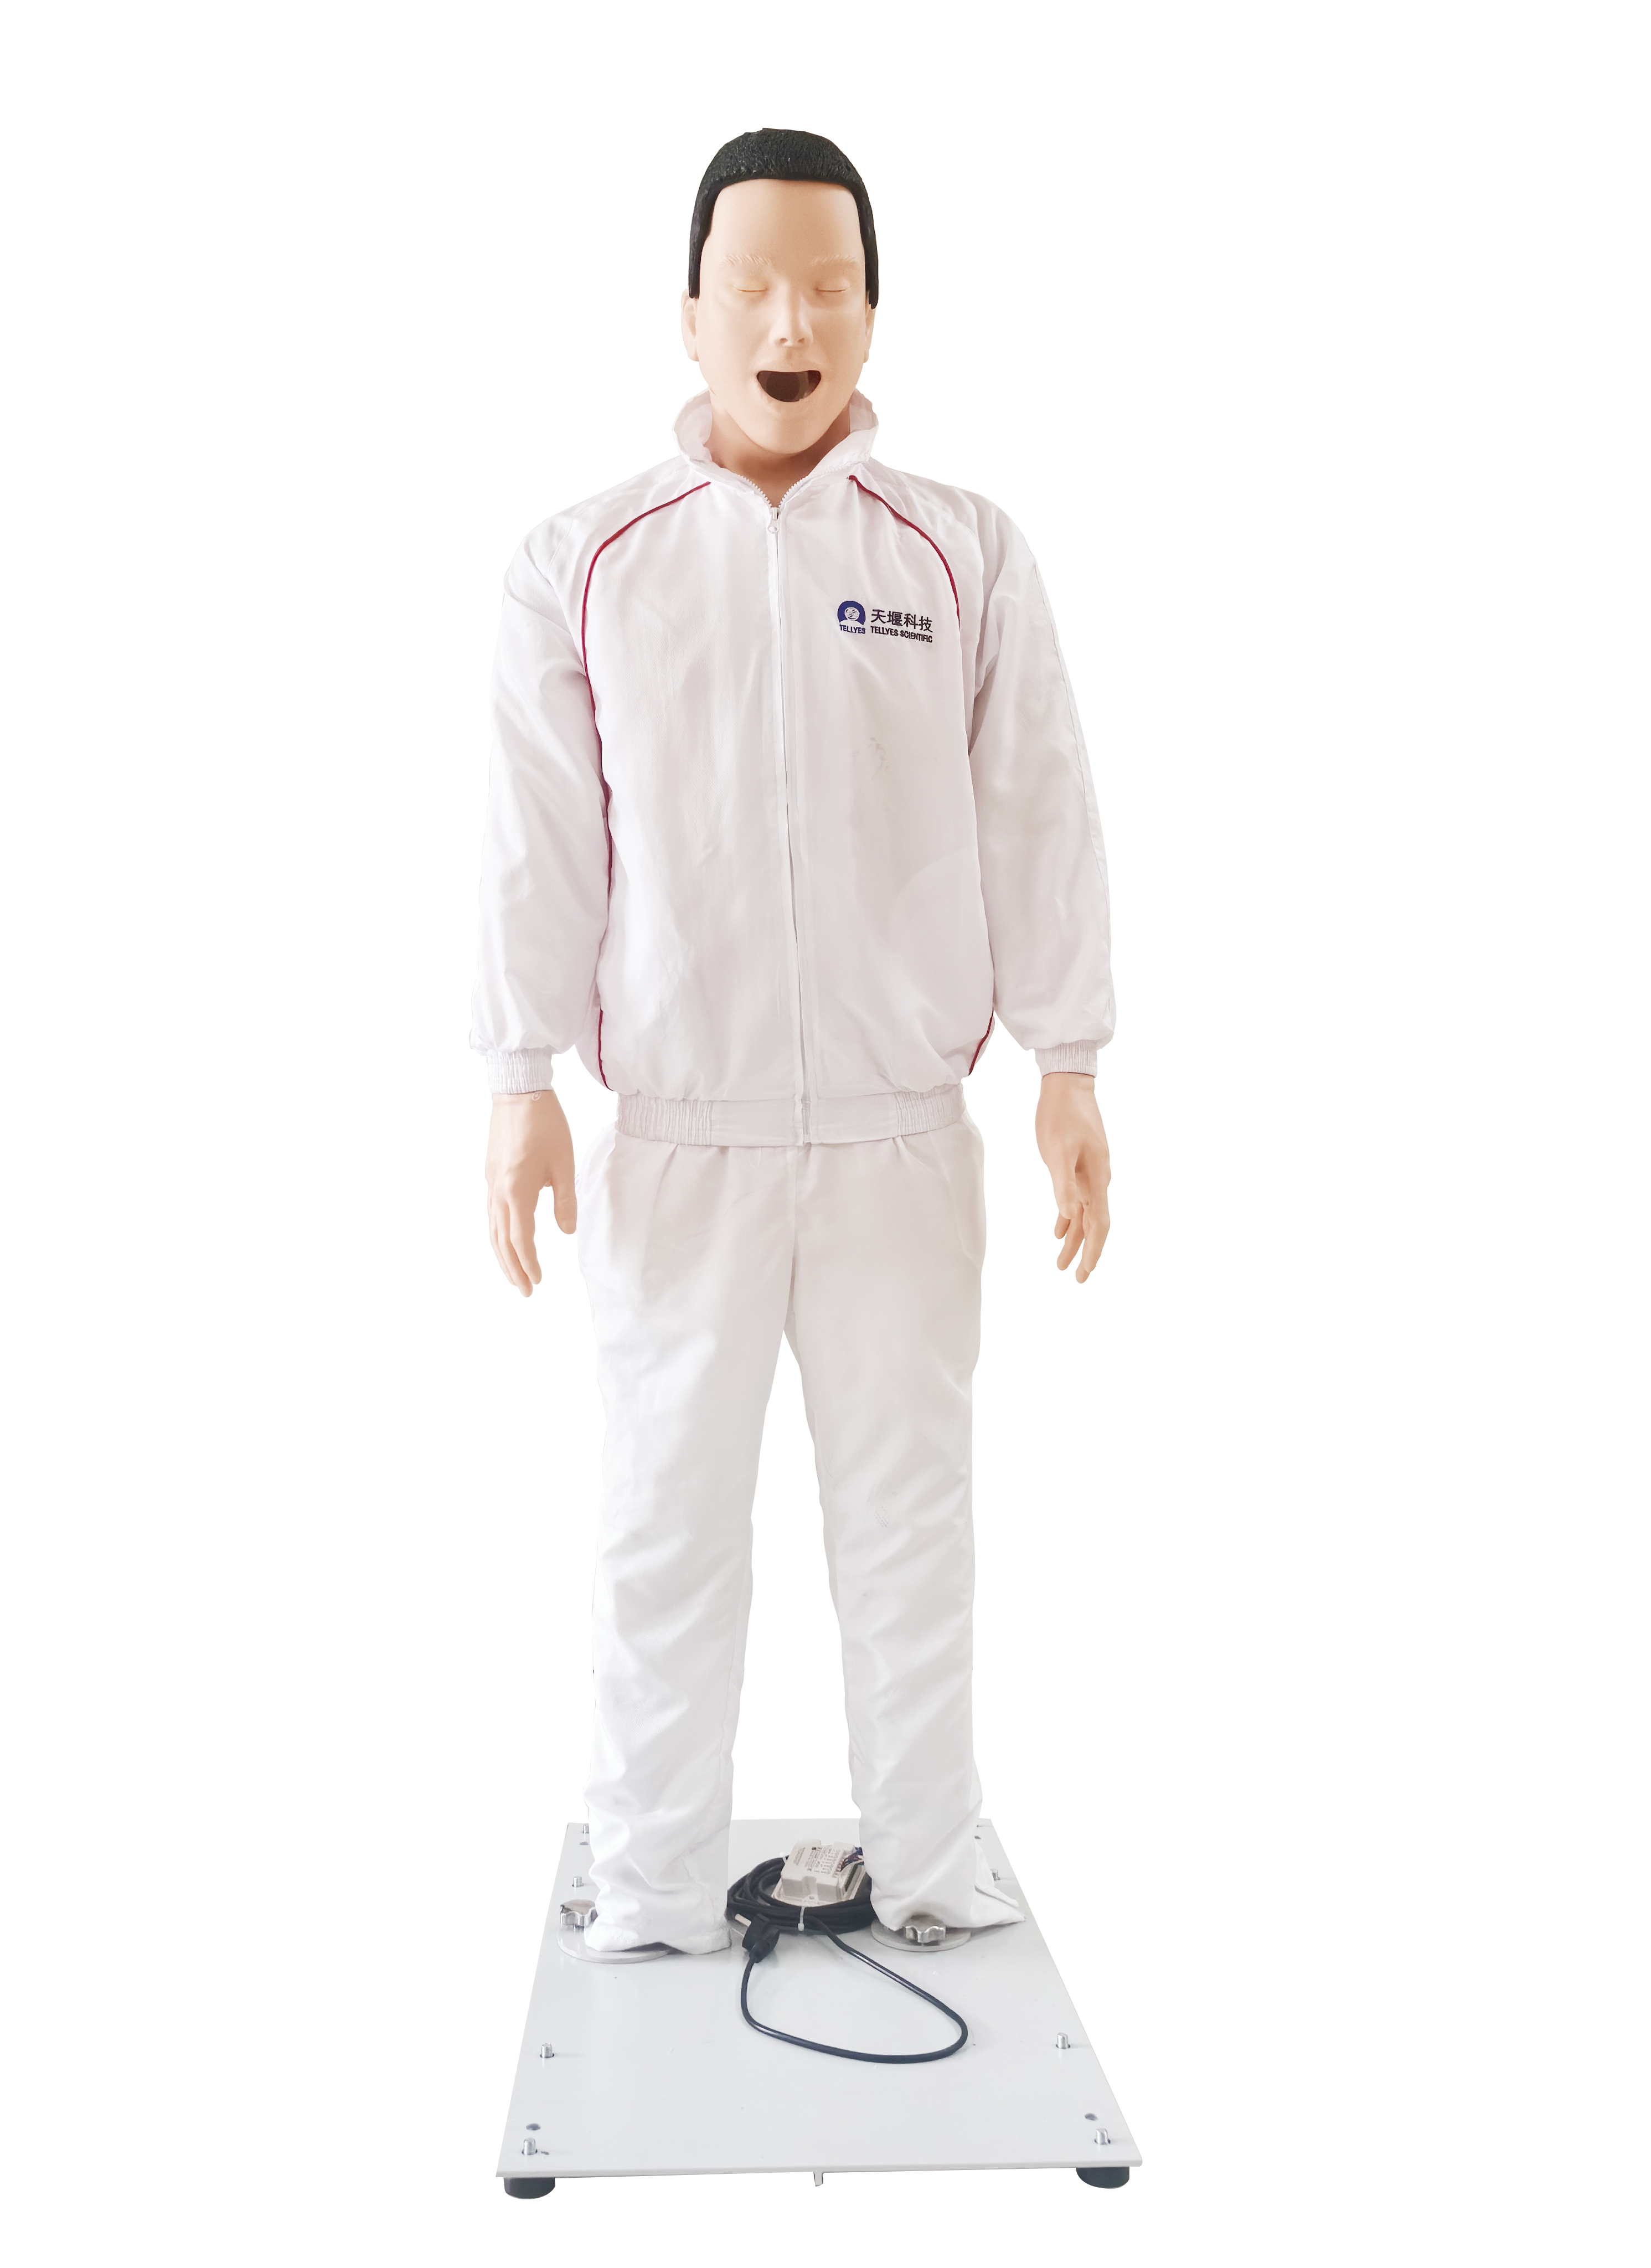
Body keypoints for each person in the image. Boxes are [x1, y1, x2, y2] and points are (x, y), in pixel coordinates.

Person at [471, 128, 1115, 1958]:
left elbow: (1039, 805)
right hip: (682, 1133)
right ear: (686, 314)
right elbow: (540, 836)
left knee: (910, 1522)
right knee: (662, 1527)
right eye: (750, 286)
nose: (790, 324)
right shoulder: (583, 563)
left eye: (830, 286)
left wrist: (1070, 1059)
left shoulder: (960, 552)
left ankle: (930, 1867)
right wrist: (518, 1079)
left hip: (905, 1137)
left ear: (875, 314)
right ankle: (653, 1886)